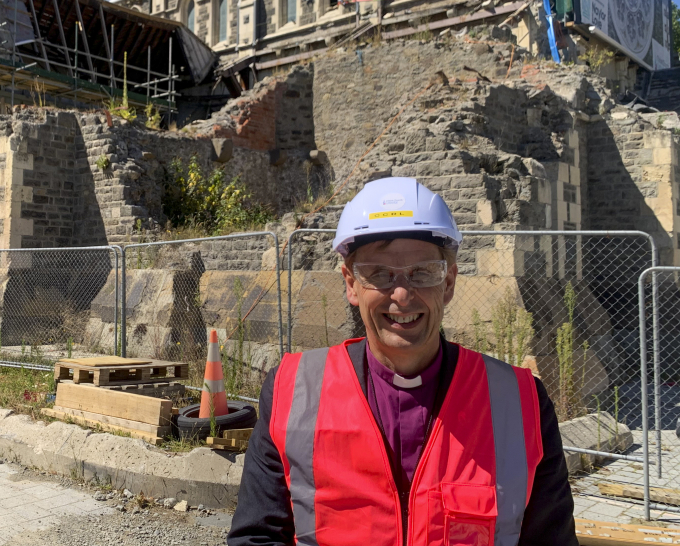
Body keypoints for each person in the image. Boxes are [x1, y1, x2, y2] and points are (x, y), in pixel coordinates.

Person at [228, 177, 576, 546]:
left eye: (423, 272)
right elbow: (257, 537)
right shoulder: (293, 390)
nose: (402, 294)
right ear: (350, 283)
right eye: (379, 274)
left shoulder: (521, 402)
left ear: (450, 281)